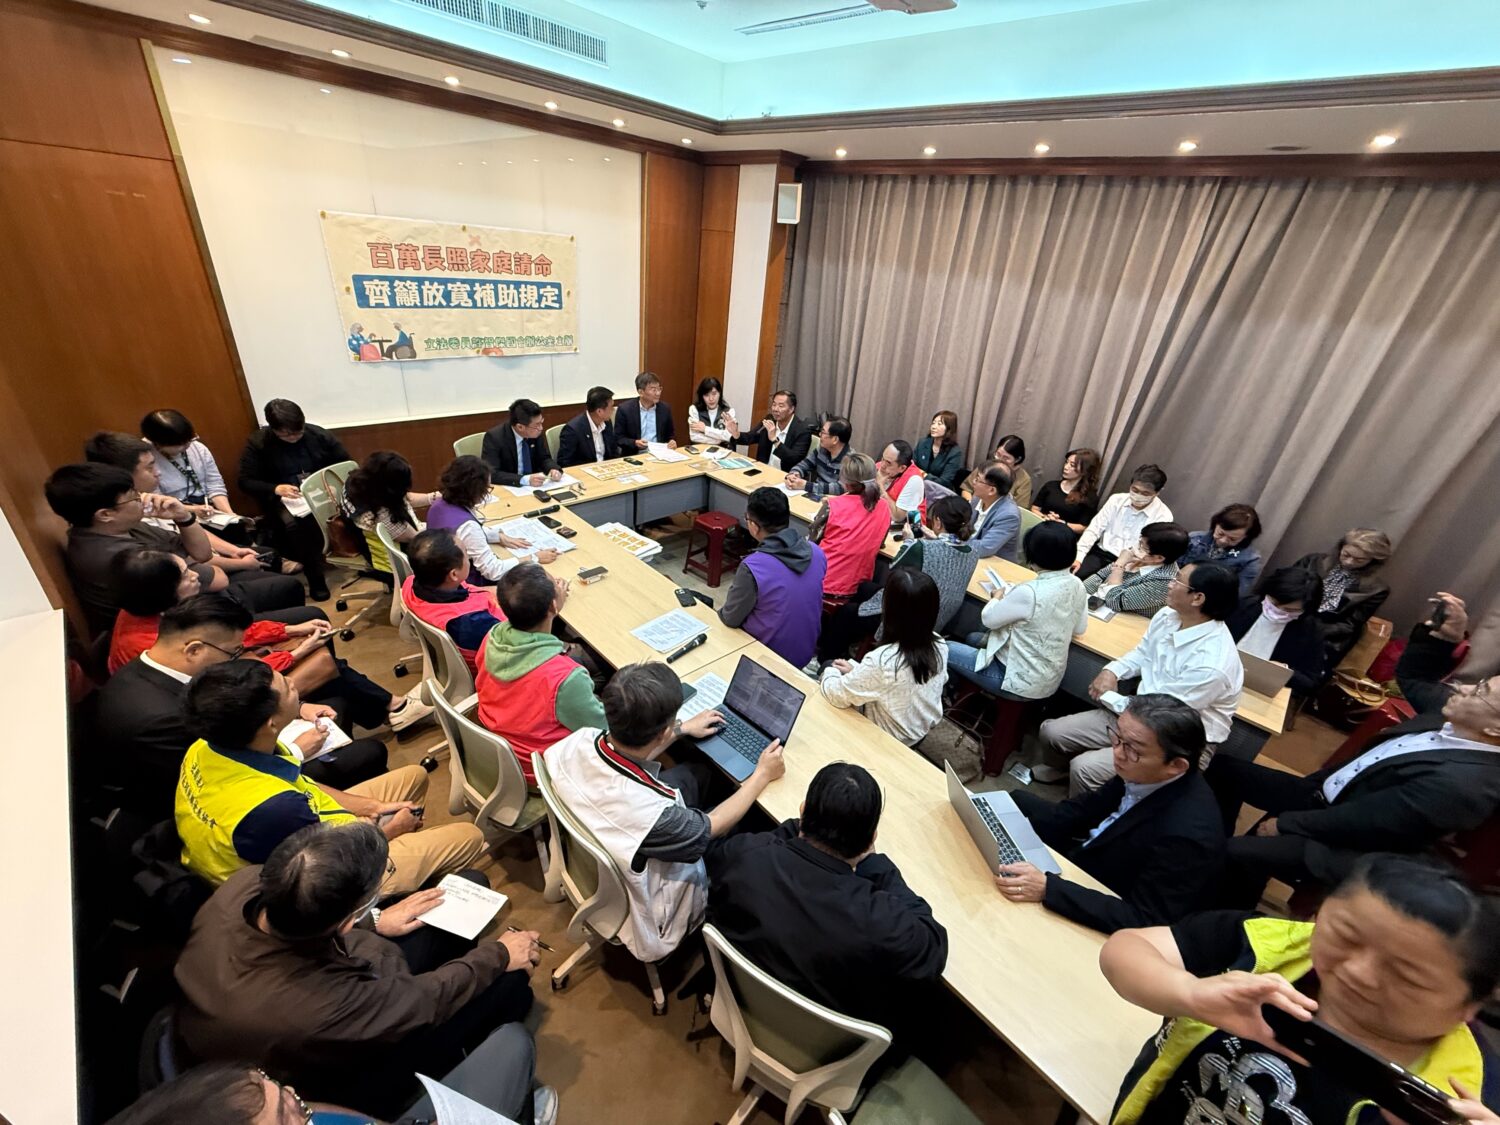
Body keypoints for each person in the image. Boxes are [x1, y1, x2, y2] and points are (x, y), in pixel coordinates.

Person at [173, 822, 550, 1122]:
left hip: (281, 1015)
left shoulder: (243, 886)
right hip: (326, 1073)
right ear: (344, 922)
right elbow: (422, 1001)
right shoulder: (320, 1007)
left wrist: (377, 919)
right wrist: (500, 954)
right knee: (511, 984)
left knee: (462, 891)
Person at [1100, 853, 1500, 1125]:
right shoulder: (1273, 947)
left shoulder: (1475, 1097)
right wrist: (1187, 993)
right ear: (1318, 913)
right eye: (1346, 935)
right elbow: (1126, 949)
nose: (1358, 971)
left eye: (1406, 975)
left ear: (1470, 1005)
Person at [544, 662, 786, 962]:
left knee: (699, 773)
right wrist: (761, 774)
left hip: (599, 838)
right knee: (751, 824)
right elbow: (712, 825)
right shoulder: (655, 818)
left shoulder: (576, 741)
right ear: (661, 732)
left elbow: (628, 751)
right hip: (653, 911)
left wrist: (681, 730)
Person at [175, 659, 486, 891]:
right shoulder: (273, 810)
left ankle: (406, 861)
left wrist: (373, 808)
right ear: (270, 723)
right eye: (287, 687)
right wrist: (388, 831)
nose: (293, 682)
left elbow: (302, 785)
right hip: (308, 888)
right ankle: (389, 889)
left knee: (414, 777)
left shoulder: (208, 745)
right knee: (468, 837)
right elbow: (324, 868)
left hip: (310, 834)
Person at [1205, 670, 1500, 907]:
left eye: (1480, 692)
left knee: (1241, 852)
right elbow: (1413, 676)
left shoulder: (1464, 784)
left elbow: (1368, 822)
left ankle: (1227, 923)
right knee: (1222, 770)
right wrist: (1439, 637)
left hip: (1349, 845)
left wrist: (1286, 823)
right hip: (1325, 795)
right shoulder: (1450, 719)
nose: (1463, 688)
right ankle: (1209, 847)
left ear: (1494, 729)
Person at [705, 763, 948, 1040]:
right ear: (871, 839)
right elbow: (933, 945)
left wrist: (797, 830)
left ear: (803, 810)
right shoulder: (878, 921)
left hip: (740, 1008)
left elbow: (723, 852)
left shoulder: (745, 856)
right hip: (819, 1046)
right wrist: (875, 864)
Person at [94, 595, 388, 821]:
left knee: (334, 706)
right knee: (368, 752)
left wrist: (298, 708)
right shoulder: (162, 720)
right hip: (222, 801)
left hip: (238, 754)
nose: (238, 658)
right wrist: (296, 751)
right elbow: (221, 779)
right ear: (194, 650)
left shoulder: (151, 665)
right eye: (234, 652)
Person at [998, 695, 1226, 934]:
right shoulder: (1143, 770)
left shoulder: (1187, 836)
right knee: (1013, 802)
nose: (1117, 752)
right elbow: (1083, 811)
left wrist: (1049, 889)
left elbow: (1145, 919)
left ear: (1176, 766)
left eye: (1132, 749)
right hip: (1090, 851)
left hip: (1102, 890)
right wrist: (1014, 827)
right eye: (1117, 738)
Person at [1036, 562, 1244, 795]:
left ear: (1197, 598)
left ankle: (1089, 811)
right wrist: (1112, 671)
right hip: (1139, 711)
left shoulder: (1212, 664)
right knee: (1052, 732)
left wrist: (1109, 696)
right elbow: (1143, 653)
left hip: (1174, 738)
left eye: (1177, 580)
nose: (1169, 584)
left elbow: (1162, 713)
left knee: (1085, 769)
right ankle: (1064, 773)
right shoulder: (1168, 615)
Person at [87, 430, 300, 597]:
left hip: (199, 566)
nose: (158, 472)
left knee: (262, 553)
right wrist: (240, 563)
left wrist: (232, 550)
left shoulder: (143, 504)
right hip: (195, 586)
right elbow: (207, 571)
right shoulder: (130, 515)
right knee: (282, 583)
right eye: (150, 467)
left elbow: (193, 546)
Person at [47, 461, 224, 635]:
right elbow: (218, 579)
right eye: (134, 496)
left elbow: (202, 554)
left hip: (180, 609)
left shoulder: (115, 526)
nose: (143, 498)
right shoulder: (122, 557)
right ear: (105, 514)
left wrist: (183, 517)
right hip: (169, 629)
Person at [476, 562, 604, 783]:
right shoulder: (566, 678)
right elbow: (601, 729)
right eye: (555, 583)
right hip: (542, 769)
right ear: (553, 606)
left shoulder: (492, 636)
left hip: (499, 740)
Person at [819, 494, 976, 660]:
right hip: (934, 620)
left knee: (847, 612)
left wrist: (909, 542)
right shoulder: (973, 553)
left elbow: (895, 571)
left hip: (903, 619)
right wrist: (934, 540)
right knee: (864, 587)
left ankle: (826, 659)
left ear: (938, 522)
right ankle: (851, 643)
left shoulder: (921, 547)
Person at [945, 521, 1089, 700]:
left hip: (1013, 680)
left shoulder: (1029, 591)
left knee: (944, 648)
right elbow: (1080, 629)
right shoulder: (1077, 584)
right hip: (1048, 682)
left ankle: (951, 691)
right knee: (974, 638)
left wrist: (997, 597)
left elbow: (989, 620)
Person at [238, 398, 352, 601]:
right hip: (287, 500)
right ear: (273, 429)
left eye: (298, 432)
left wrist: (331, 484)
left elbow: (345, 464)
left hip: (323, 492)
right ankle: (315, 578)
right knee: (298, 525)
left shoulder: (318, 435)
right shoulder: (259, 443)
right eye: (286, 434)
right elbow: (245, 481)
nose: (293, 437)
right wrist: (275, 488)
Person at [820, 569, 948, 746]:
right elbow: (897, 684)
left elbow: (836, 695)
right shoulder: (939, 644)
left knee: (828, 667)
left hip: (885, 737)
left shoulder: (884, 660)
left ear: (890, 608)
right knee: (844, 669)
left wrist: (830, 671)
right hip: (915, 733)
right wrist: (858, 672)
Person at [718, 488, 827, 669]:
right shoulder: (817, 553)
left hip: (765, 659)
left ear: (754, 526)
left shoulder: (754, 567)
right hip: (805, 652)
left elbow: (730, 618)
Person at [424, 455, 556, 585]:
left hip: (442, 577)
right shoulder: (468, 526)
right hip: (471, 584)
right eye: (487, 488)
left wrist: (497, 536)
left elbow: (461, 535)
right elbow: (493, 571)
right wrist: (534, 558)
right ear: (475, 490)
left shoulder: (438, 504)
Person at [402, 529, 506, 674]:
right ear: (454, 574)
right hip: (493, 666)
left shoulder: (411, 584)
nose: (468, 558)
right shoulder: (472, 623)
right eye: (466, 554)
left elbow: (473, 593)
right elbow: (513, 647)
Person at [1292, 527, 1394, 668]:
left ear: (1373, 561)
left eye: (1359, 560)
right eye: (1346, 554)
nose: (1349, 562)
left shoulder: (1376, 589)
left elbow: (1350, 624)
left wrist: (1311, 630)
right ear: (1340, 548)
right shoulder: (1313, 561)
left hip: (1324, 640)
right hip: (1287, 619)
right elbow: (1282, 589)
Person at [1226, 566, 1327, 697]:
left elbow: (1310, 682)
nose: (1278, 611)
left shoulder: (1311, 631)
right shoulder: (1241, 606)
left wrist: (1284, 672)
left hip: (1259, 693)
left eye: (1290, 610)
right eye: (1273, 603)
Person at [1397, 592, 1500, 715]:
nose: (1463, 688)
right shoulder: (1450, 706)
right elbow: (1413, 679)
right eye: (1479, 686)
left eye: (1480, 692)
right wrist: (1444, 639)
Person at [139, 408, 244, 523]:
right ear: (158, 444)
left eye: (189, 440)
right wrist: (192, 510)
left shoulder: (197, 448)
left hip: (208, 508)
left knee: (237, 527)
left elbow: (215, 484)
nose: (187, 446)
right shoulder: (145, 459)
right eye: (180, 444)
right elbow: (156, 499)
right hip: (172, 514)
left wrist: (230, 514)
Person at [810, 452, 890, 599]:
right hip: (858, 587)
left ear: (845, 482)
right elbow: (880, 543)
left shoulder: (833, 506)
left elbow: (811, 542)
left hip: (823, 583)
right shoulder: (884, 507)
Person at [340, 450, 434, 575]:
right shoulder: (379, 514)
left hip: (394, 537)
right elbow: (414, 537)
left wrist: (432, 497)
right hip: (389, 563)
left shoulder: (359, 482)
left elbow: (405, 498)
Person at [1073, 464, 1172, 581]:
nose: (1138, 496)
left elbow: (1148, 550)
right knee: (1075, 577)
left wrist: (1120, 567)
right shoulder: (1116, 500)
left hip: (1130, 564)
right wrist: (1078, 557)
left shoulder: (1163, 516)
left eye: (1145, 493)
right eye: (1135, 490)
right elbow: (1095, 529)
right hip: (1101, 554)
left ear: (1158, 492)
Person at [1082, 521, 1191, 618]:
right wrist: (1079, 594)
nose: (1136, 547)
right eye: (1140, 541)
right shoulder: (1141, 555)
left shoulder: (1164, 579)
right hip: (1096, 606)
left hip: (1122, 619)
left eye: (1142, 546)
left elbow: (1115, 601)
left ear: (1159, 558)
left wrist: (1119, 566)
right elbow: (1100, 576)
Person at [1180, 503, 1264, 599]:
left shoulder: (1250, 560)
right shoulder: (1194, 539)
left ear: (1246, 537)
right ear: (1215, 524)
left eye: (1232, 539)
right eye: (1220, 534)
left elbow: (1237, 595)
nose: (1223, 541)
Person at [480, 398, 561, 488]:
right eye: (537, 425)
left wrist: (553, 469)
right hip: (510, 486)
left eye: (541, 422)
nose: (541, 428)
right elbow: (492, 473)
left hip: (536, 486)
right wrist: (524, 480)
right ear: (520, 427)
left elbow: (544, 458)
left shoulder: (535, 433)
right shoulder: (495, 438)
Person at [1032, 447, 1102, 534]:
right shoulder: (1050, 486)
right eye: (1066, 462)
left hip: (1064, 535)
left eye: (1072, 465)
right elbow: (1035, 508)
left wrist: (1061, 523)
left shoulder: (1089, 497)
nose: (1066, 467)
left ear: (1085, 470)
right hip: (1041, 529)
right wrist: (1045, 518)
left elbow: (1083, 527)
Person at [738, 388, 813, 470]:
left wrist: (774, 440)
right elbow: (749, 438)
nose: (775, 409)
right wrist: (735, 433)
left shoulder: (803, 430)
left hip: (785, 475)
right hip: (763, 470)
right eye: (774, 405)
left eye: (781, 406)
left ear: (791, 409)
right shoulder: (770, 420)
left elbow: (794, 459)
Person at [784, 416, 852, 498]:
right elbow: (805, 464)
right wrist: (794, 474)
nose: (820, 434)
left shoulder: (851, 461)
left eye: (823, 432)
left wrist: (806, 485)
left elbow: (840, 489)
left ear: (835, 439)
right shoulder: (822, 449)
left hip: (833, 500)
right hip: (815, 494)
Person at [967, 460, 1021, 561]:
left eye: (978, 480)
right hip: (971, 556)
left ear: (992, 490)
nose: (973, 482)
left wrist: (954, 542)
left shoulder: (1009, 515)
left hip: (994, 563)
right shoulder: (977, 499)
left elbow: (985, 548)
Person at [613, 370, 676, 454]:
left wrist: (672, 441)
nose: (658, 393)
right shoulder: (625, 409)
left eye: (659, 389)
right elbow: (618, 438)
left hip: (660, 453)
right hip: (635, 455)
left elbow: (671, 434)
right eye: (653, 390)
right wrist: (634, 443)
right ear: (641, 392)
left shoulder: (665, 409)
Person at [556, 385, 618, 467]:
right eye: (611, 407)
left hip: (606, 469)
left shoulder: (607, 423)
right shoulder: (573, 430)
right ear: (599, 411)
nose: (613, 410)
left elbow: (613, 452)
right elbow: (564, 463)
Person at [912, 409, 966, 492]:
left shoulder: (955, 452)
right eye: (933, 423)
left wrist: (923, 474)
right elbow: (911, 466)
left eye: (939, 424)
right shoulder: (923, 443)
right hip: (917, 486)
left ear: (949, 429)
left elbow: (944, 482)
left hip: (938, 491)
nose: (933, 427)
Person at [874, 439, 926, 521]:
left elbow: (898, 517)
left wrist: (880, 487)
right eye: (883, 459)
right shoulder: (879, 467)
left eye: (888, 463)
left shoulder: (914, 480)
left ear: (902, 468)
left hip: (905, 526)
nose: (882, 465)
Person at [687, 376, 739, 447]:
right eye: (706, 395)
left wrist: (705, 429)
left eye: (714, 394)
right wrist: (720, 439)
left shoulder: (729, 412)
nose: (711, 399)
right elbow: (694, 437)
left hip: (723, 451)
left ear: (719, 393)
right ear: (702, 396)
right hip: (701, 450)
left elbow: (729, 436)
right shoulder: (694, 410)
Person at [991, 434, 1032, 509]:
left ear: (1017, 459)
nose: (999, 460)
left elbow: (1019, 509)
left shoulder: (1024, 479)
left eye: (1006, 458)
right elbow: (968, 489)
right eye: (998, 454)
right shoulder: (988, 466)